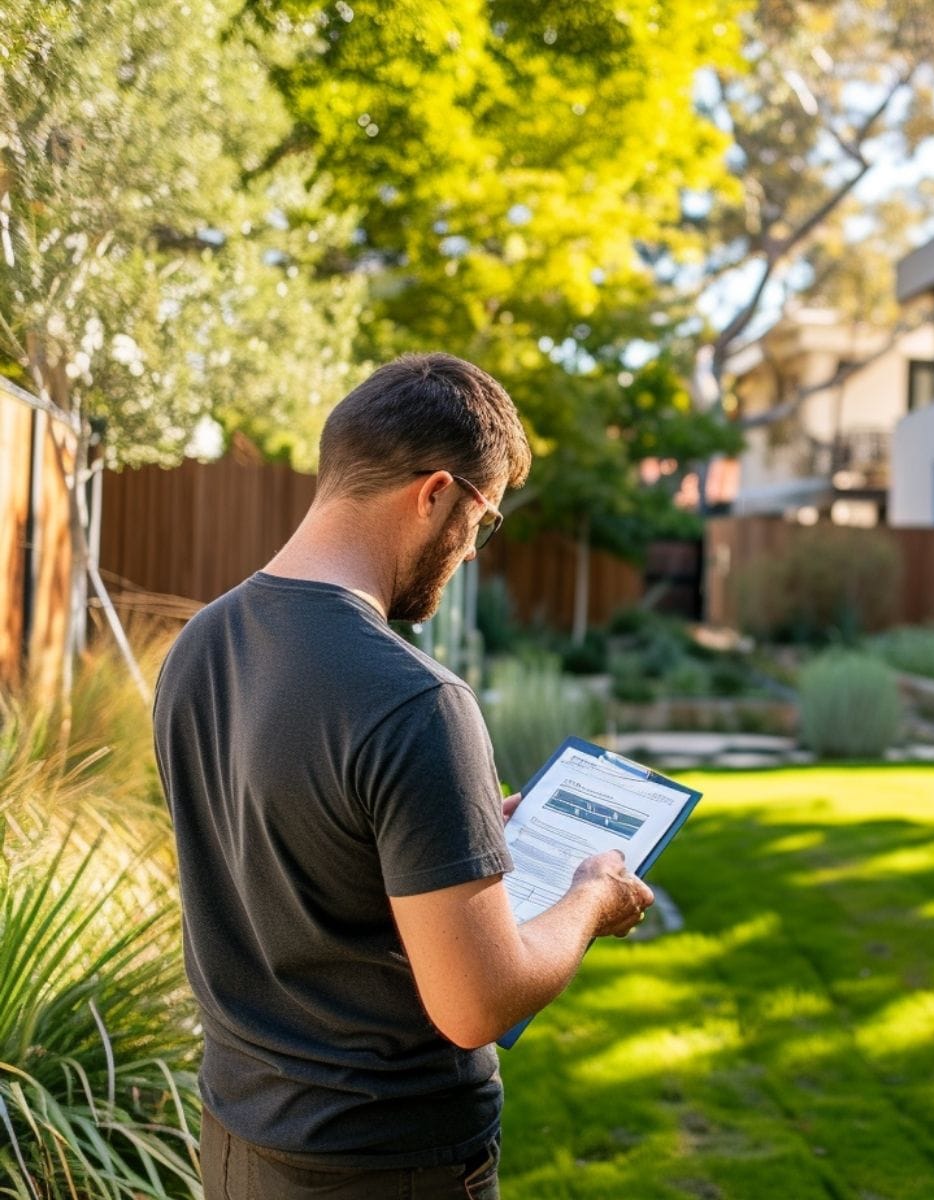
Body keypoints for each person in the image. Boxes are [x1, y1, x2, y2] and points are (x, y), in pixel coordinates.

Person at [153, 353, 654, 1198]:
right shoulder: (415, 700)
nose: (471, 550)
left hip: (237, 1143)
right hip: (385, 1165)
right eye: (482, 521)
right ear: (436, 494)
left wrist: (448, 837)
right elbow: (477, 1003)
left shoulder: (200, 642)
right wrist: (589, 898)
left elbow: (282, 848)